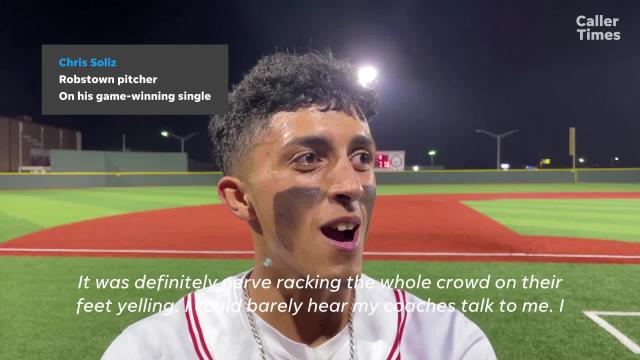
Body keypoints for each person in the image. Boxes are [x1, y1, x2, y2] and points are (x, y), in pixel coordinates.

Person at [102, 51, 496, 359]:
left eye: (361, 157)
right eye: (308, 158)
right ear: (240, 199)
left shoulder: (451, 345)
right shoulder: (154, 350)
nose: (351, 186)